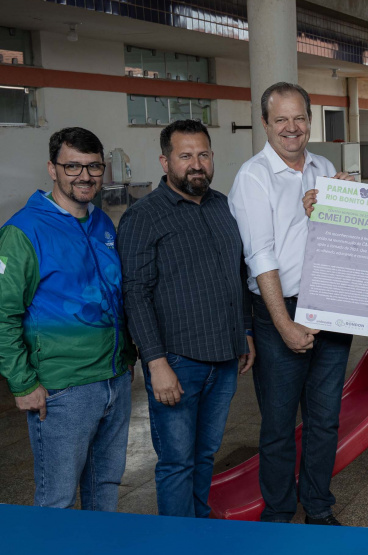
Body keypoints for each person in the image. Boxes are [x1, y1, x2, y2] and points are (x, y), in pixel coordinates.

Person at [228, 82, 354, 525]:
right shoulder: (253, 176)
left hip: (329, 304)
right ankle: (279, 512)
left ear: (310, 121)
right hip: (279, 309)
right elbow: (259, 256)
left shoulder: (325, 167)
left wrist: (347, 203)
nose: (291, 127)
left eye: (299, 117)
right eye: (280, 119)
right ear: (265, 123)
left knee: (325, 419)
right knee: (279, 424)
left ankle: (318, 507)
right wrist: (284, 324)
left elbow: (339, 240)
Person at [118, 120, 254, 518]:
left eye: (203, 155)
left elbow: (238, 274)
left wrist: (245, 330)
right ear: (165, 162)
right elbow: (135, 294)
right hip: (177, 361)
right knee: (177, 461)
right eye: (185, 156)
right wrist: (155, 363)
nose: (197, 164)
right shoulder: (143, 216)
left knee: (205, 454)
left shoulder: (223, 206)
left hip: (224, 359)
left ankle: (199, 532)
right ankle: (178, 541)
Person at [0, 127, 133, 510]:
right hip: (63, 389)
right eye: (72, 166)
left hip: (115, 379)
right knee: (57, 499)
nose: (85, 176)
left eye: (94, 166)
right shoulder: (23, 231)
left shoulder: (102, 223)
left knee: (105, 488)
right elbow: (3, 315)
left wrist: (127, 359)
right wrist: (22, 383)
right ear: (52, 169)